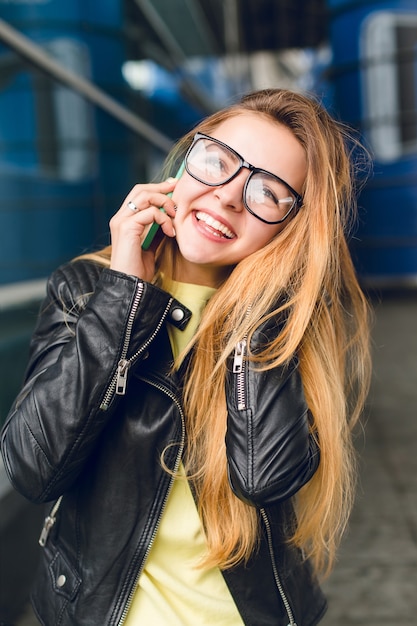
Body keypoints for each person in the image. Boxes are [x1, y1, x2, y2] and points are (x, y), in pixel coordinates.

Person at [1, 88, 371, 626]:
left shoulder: (286, 328)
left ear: (291, 227)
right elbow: (33, 468)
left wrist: (260, 304)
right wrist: (124, 294)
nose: (227, 197)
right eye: (217, 162)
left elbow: (262, 478)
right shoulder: (84, 290)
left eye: (267, 192)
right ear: (183, 162)